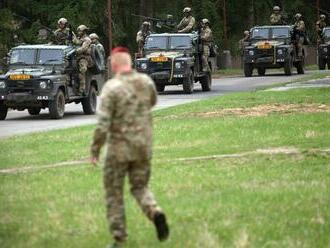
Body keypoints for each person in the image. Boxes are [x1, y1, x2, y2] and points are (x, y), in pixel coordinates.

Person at [90, 46, 169, 248]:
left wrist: (95, 150)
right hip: (143, 146)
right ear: (130, 62)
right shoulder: (146, 82)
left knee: (114, 193)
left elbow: (102, 124)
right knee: (140, 187)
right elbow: (151, 103)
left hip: (119, 149)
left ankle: (119, 238)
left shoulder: (111, 87)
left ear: (114, 64)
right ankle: (155, 212)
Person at [73, 24, 92, 94]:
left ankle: (82, 89)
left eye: (80, 31)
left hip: (85, 58)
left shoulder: (87, 39)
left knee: (82, 71)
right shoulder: (79, 38)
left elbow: (83, 49)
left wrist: (76, 51)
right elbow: (76, 43)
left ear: (84, 32)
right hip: (77, 57)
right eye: (78, 31)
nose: (78, 33)